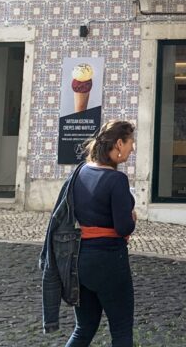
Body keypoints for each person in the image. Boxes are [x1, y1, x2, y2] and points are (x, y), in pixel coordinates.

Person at [65, 120, 137, 347]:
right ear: (118, 144)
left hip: (80, 260)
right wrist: (132, 217)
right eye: (130, 143)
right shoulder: (117, 180)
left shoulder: (80, 172)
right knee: (122, 331)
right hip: (109, 260)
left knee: (83, 328)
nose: (132, 148)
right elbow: (123, 227)